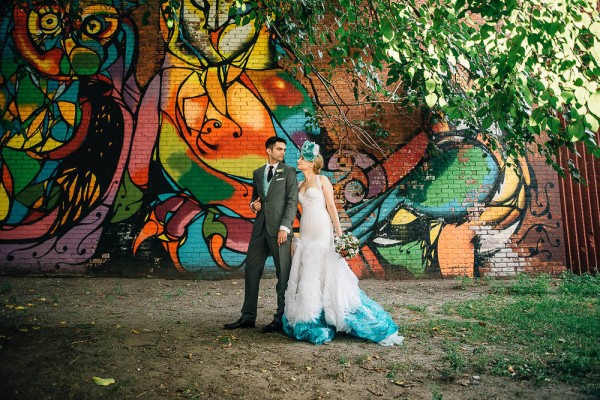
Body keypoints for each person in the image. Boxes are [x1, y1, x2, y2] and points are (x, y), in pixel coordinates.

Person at [282, 141, 404, 346]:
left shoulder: (322, 181)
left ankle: (333, 314)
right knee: (309, 273)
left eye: (302, 158)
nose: (298, 160)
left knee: (323, 267)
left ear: (312, 162)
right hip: (306, 231)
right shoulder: (300, 184)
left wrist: (340, 236)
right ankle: (312, 314)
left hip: (321, 229)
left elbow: (331, 207)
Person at [224, 136, 299, 333]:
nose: (283, 152)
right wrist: (252, 205)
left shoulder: (289, 172)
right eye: (279, 149)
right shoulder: (258, 173)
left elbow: (292, 201)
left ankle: (280, 318)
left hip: (280, 232)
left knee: (283, 274)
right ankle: (248, 317)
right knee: (251, 270)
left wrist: (285, 227)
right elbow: (255, 199)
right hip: (260, 230)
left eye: (284, 149)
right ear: (268, 150)